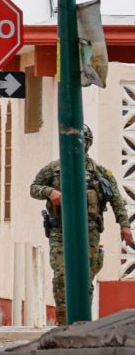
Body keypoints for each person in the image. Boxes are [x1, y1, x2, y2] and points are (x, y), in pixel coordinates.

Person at [30, 124, 134, 324]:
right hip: (61, 230)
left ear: (88, 144)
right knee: (61, 276)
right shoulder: (54, 169)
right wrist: (49, 192)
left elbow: (117, 200)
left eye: (82, 142)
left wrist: (125, 226)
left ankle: (83, 324)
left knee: (86, 279)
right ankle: (62, 324)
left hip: (90, 231)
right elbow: (34, 187)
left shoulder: (99, 172)